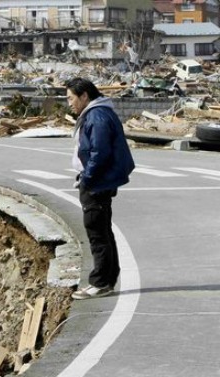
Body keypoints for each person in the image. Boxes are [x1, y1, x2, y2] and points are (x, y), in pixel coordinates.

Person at [66, 78, 135, 300]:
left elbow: (99, 152)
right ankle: (108, 278)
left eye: (71, 98)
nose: (69, 103)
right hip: (100, 180)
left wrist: (86, 178)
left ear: (84, 96)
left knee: (96, 230)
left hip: (97, 182)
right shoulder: (99, 112)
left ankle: (100, 282)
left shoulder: (96, 115)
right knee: (103, 229)